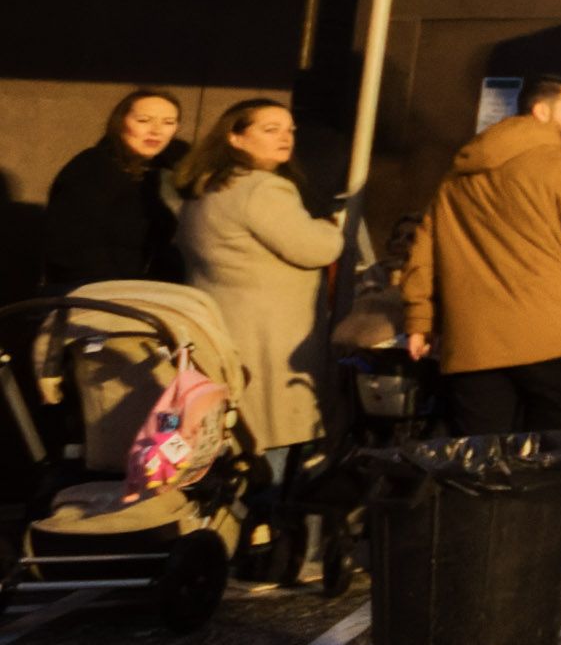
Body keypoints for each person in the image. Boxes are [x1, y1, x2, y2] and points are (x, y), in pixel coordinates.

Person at [402, 75, 561, 439]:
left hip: (474, 339)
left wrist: (418, 318)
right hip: (553, 334)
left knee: (480, 457)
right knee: (553, 455)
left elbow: (425, 248)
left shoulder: (459, 173)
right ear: (541, 110)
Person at [170, 99, 343, 472]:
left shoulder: (205, 188)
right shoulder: (264, 189)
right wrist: (332, 229)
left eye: (289, 130)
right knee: (272, 441)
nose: (285, 138)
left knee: (230, 445)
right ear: (235, 137)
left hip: (222, 329)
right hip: (272, 340)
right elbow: (314, 248)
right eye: (270, 129)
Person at [41, 88, 185, 291]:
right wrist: (117, 293)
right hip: (94, 296)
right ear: (120, 123)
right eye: (143, 120)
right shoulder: (91, 167)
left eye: (168, 122)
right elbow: (71, 248)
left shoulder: (164, 172)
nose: (156, 130)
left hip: (144, 293)